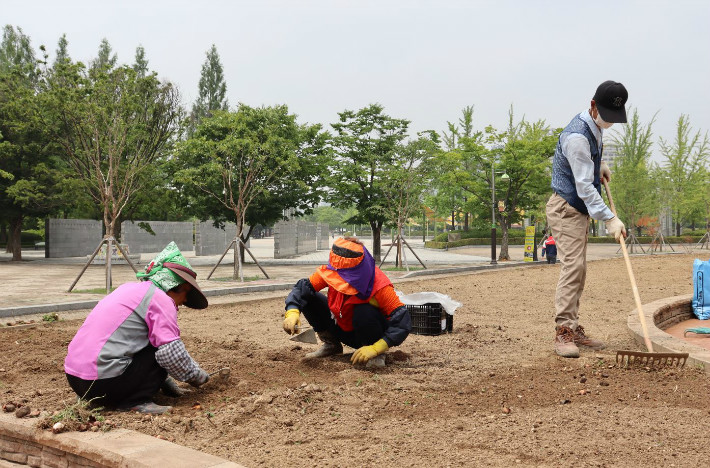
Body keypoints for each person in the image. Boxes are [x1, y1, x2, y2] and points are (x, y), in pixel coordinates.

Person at [64, 242, 211, 414]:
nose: (182, 304)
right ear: (180, 287)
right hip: (105, 383)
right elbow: (172, 355)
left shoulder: (128, 289)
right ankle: (133, 401)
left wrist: (165, 381)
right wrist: (198, 376)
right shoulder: (161, 299)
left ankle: (97, 398)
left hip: (77, 381)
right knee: (162, 347)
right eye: (185, 297)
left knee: (152, 342)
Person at [546, 80, 628, 358]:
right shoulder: (578, 137)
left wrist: (599, 165)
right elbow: (583, 187)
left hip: (578, 209)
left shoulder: (593, 127)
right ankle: (563, 332)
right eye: (607, 116)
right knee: (573, 268)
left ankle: (573, 326)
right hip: (566, 206)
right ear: (593, 106)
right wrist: (609, 218)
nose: (610, 122)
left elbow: (588, 168)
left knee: (579, 269)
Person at [282, 237, 411, 368]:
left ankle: (377, 356)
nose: (339, 280)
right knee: (310, 296)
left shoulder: (379, 285)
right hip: (342, 327)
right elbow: (302, 288)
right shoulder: (332, 270)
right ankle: (331, 344)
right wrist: (292, 311)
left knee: (363, 310)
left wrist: (376, 348)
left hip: (369, 336)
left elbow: (402, 321)